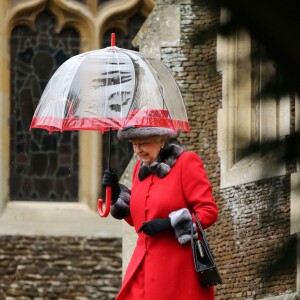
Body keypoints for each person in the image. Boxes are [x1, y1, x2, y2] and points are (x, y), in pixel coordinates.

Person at [102, 125, 218, 300]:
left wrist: (169, 224)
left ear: (162, 140)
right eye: (134, 144)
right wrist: (117, 194)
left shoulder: (187, 162)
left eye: (143, 143)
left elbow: (208, 212)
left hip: (178, 271)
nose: (138, 150)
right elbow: (139, 220)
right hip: (142, 268)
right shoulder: (139, 170)